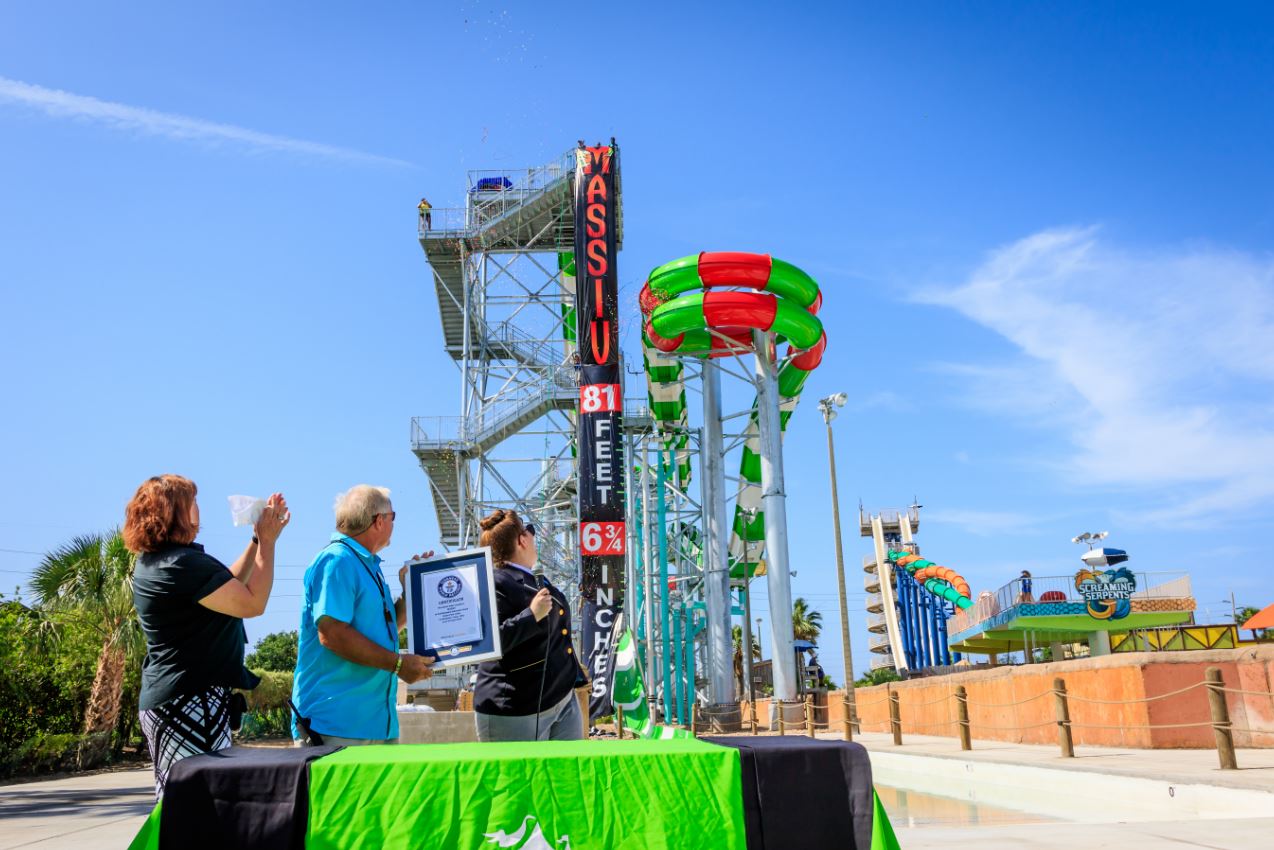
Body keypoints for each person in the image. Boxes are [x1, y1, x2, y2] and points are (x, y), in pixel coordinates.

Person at [125, 475, 290, 796]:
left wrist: (257, 540)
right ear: (171, 511)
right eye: (192, 501)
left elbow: (225, 582)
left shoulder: (161, 561)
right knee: (195, 805)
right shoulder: (181, 565)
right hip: (188, 701)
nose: (198, 507)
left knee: (182, 803)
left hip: (176, 698)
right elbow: (251, 602)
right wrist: (268, 543)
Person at [292, 485, 435, 746]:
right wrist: (399, 664)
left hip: (375, 723)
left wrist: (411, 591)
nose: (394, 524)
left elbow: (388, 627)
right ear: (379, 521)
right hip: (336, 723)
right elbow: (332, 634)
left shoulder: (367, 566)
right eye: (394, 517)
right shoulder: (337, 561)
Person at [473, 509, 584, 742]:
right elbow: (487, 641)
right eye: (530, 531)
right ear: (522, 540)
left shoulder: (533, 579)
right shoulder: (494, 581)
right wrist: (531, 615)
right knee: (518, 780)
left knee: (567, 776)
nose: (534, 538)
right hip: (517, 709)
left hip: (561, 700)